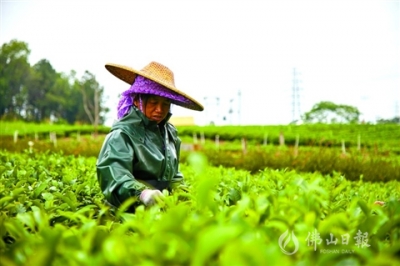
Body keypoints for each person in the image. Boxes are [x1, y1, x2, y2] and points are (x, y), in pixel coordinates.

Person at [96, 61, 203, 210]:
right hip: (126, 213)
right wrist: (142, 193)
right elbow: (115, 176)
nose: (159, 109)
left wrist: (183, 195)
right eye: (153, 102)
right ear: (137, 100)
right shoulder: (121, 135)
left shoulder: (169, 133)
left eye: (165, 104)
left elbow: (173, 175)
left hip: (157, 213)